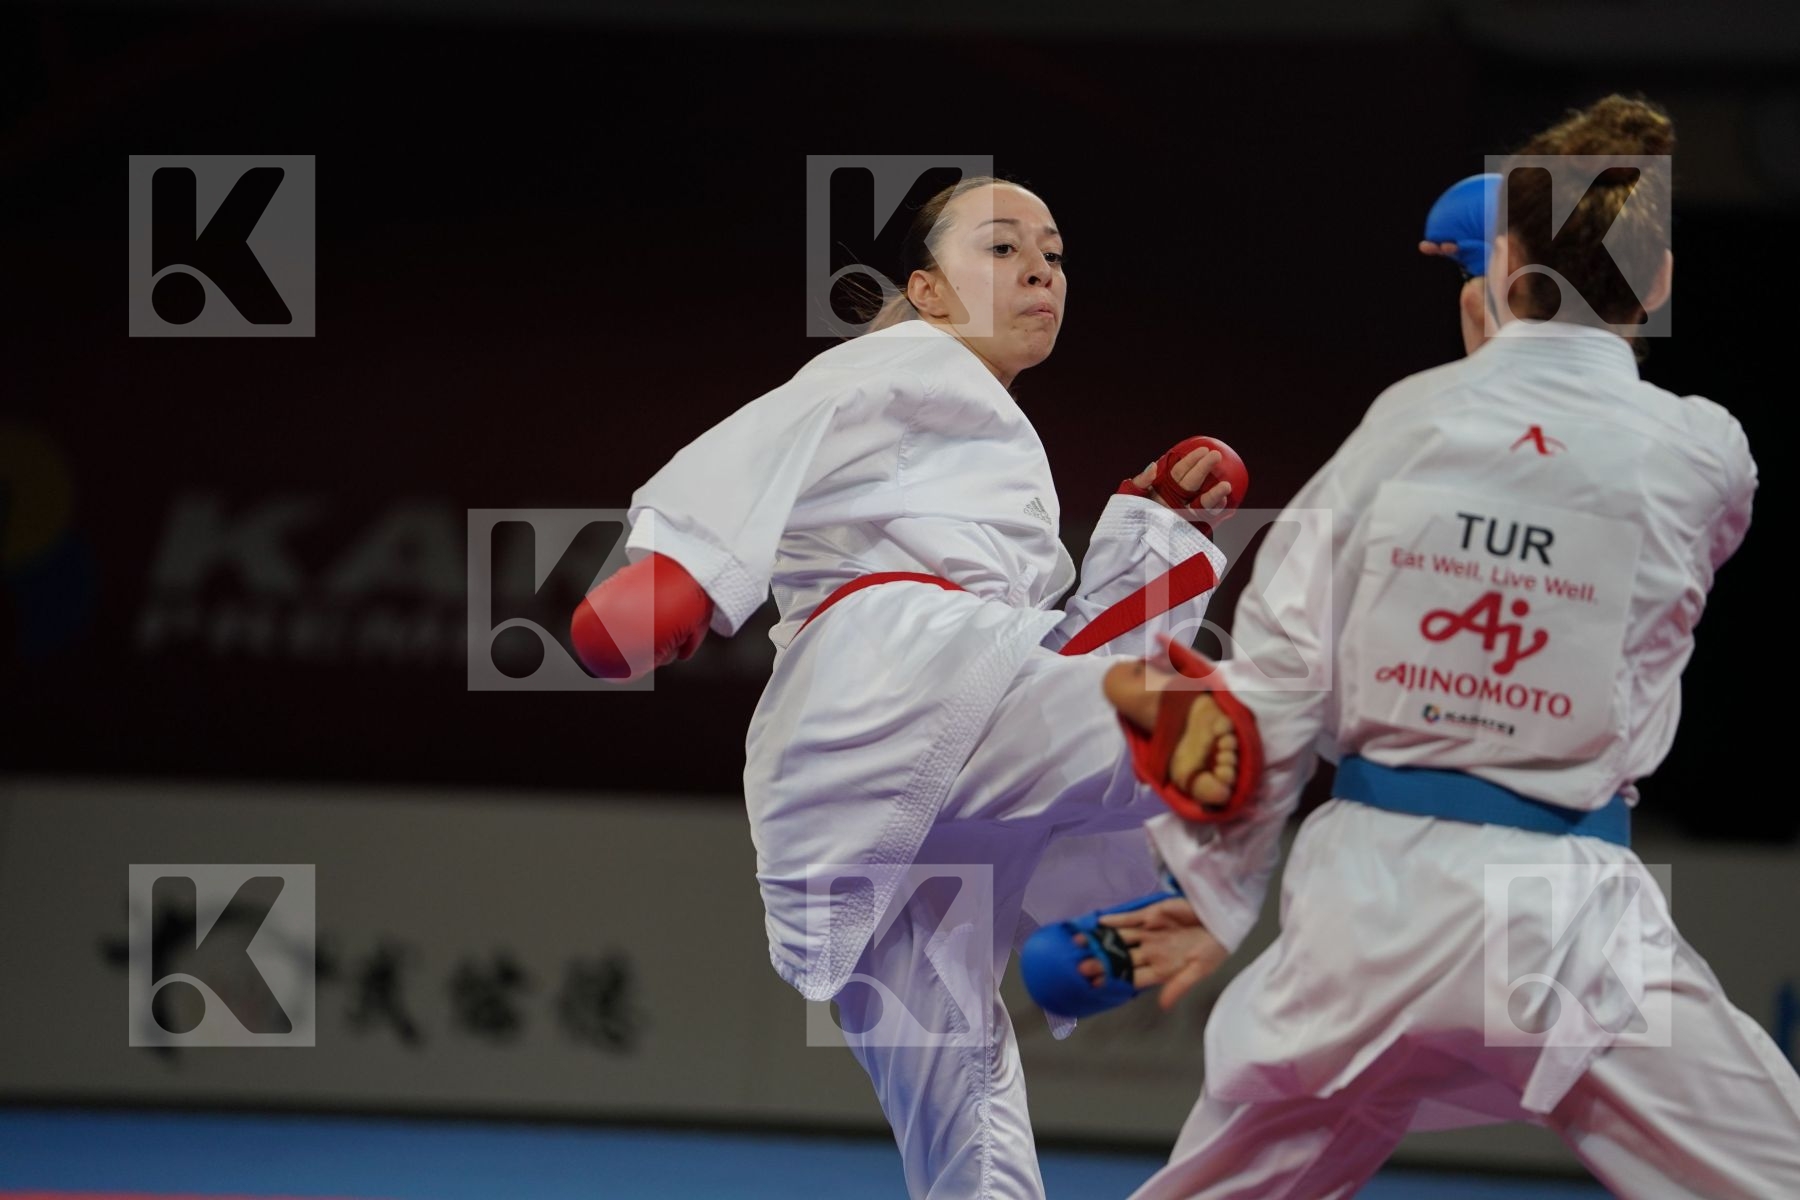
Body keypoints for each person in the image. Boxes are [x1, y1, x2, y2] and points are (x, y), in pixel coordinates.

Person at [1053, 94, 1800, 1198]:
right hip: (1561, 920)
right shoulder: (1705, 455)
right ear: (1659, 283)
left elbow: (1277, 680)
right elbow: (1606, 453)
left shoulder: (1405, 420)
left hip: (1368, 913)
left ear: (1498, 266)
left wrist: (1215, 901)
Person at [570, 174, 1248, 1199]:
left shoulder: (987, 440)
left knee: (963, 1093)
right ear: (928, 291)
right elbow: (778, 431)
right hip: (893, 680)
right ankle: (1162, 897)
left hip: (901, 763)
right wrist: (679, 572)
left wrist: (1154, 534)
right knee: (1224, 726)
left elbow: (1049, 657)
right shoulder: (899, 364)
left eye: (1056, 255)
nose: (1040, 270)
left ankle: (1156, 883)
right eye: (1004, 247)